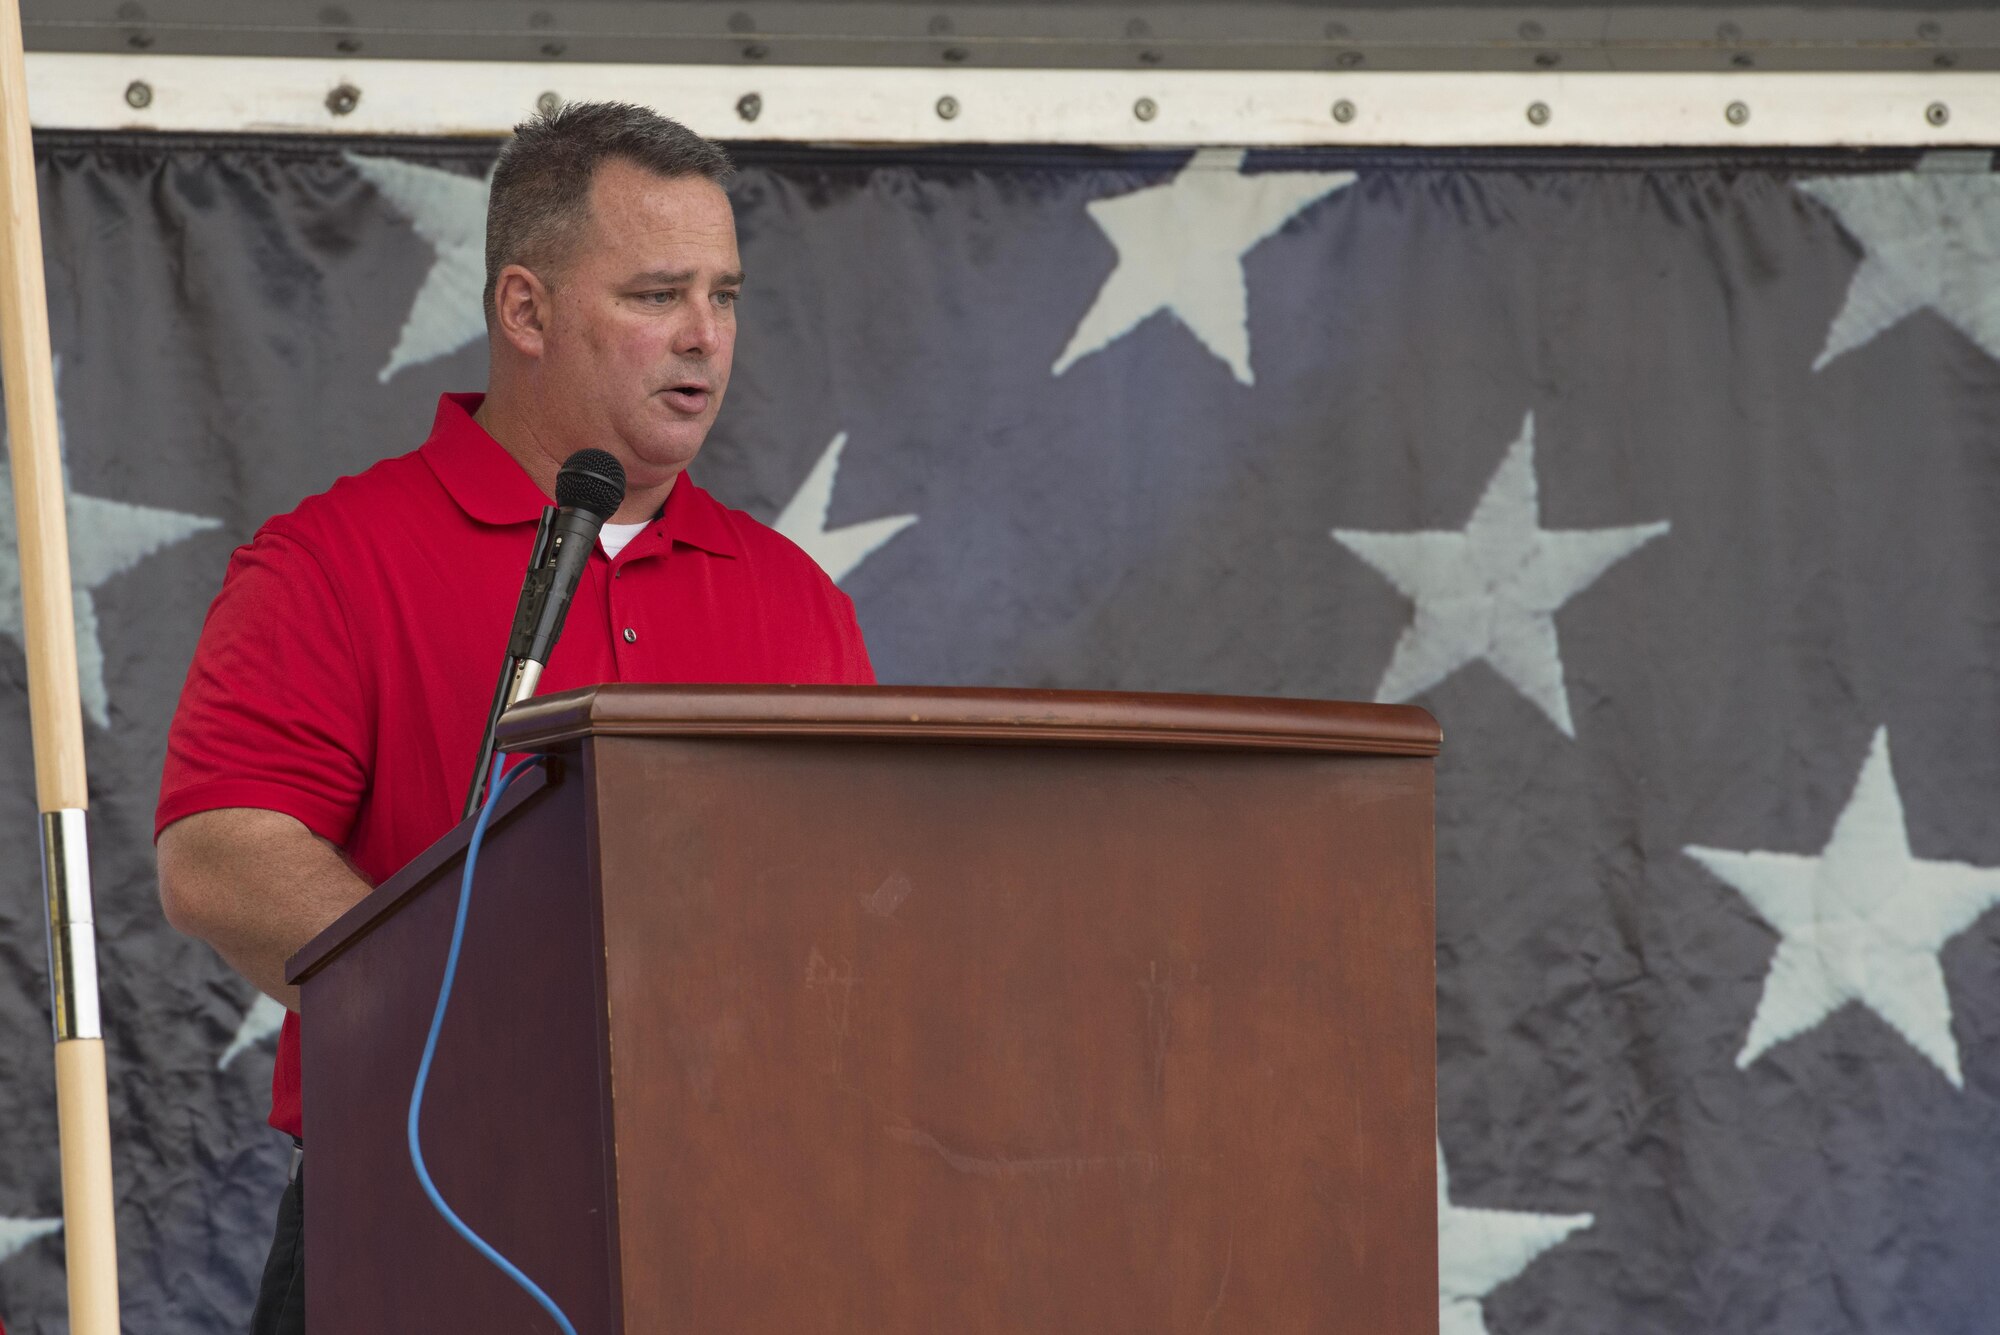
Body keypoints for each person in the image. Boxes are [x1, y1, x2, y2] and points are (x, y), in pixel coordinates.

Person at [154, 102, 874, 1335]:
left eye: (725, 294)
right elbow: (221, 849)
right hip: (422, 1211)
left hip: (734, 1213)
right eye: (656, 294)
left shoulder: (793, 598)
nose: (704, 335)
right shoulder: (335, 559)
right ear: (525, 311)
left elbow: (868, 894)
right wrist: (465, 1004)